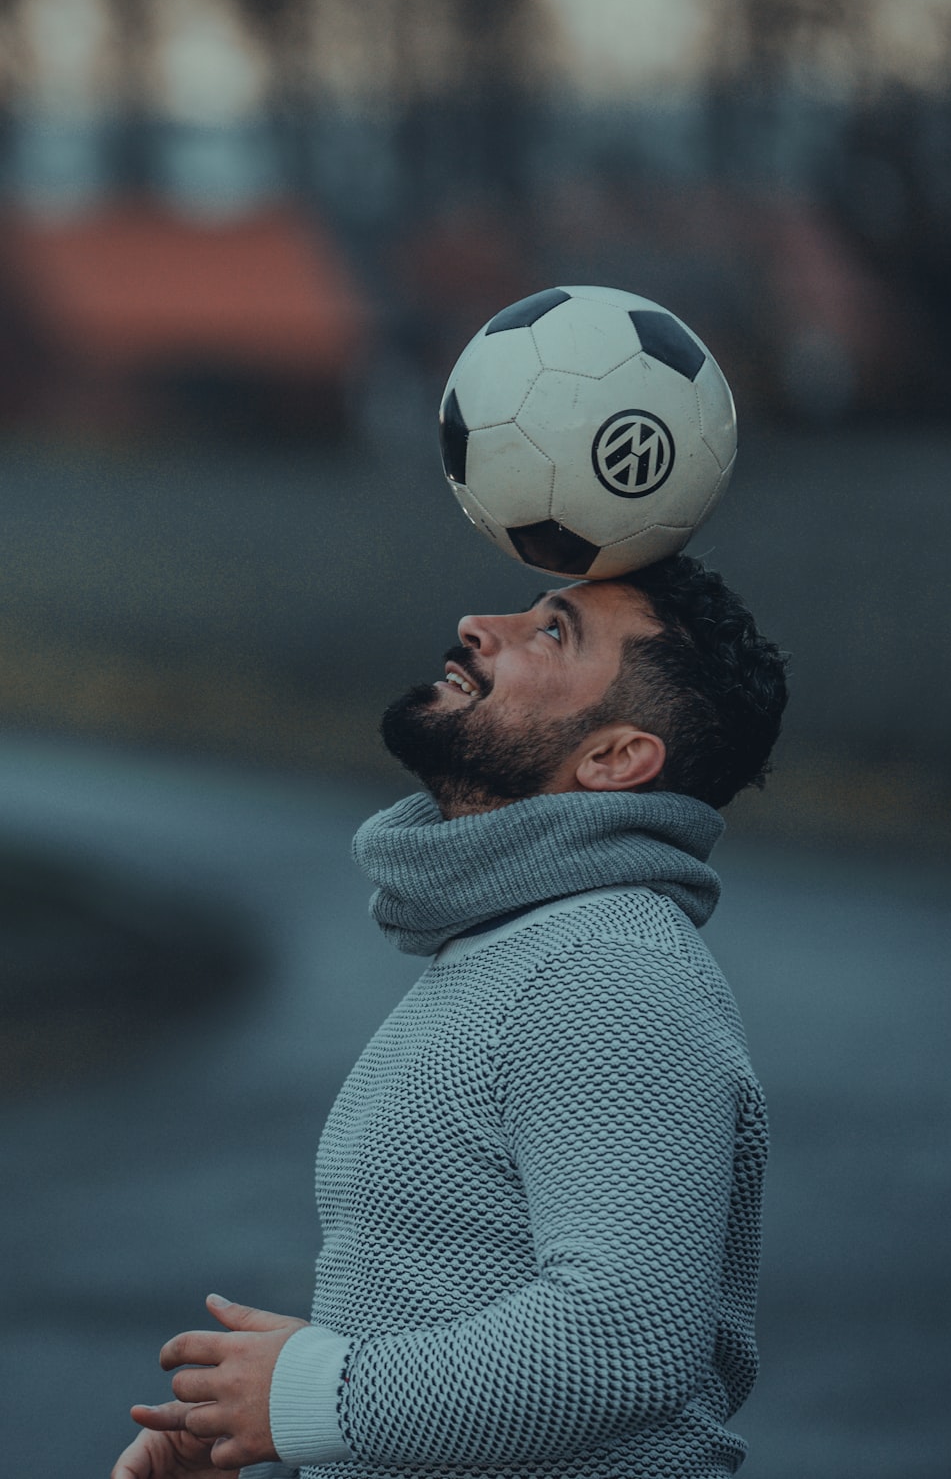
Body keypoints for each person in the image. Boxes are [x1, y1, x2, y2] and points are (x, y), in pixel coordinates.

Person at [111, 551, 788, 1479]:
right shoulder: (515, 945)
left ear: (615, 758)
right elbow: (469, 1301)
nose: (482, 625)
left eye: (552, 631)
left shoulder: (609, 966)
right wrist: (278, 1414)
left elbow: (625, 1336)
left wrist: (314, 1393)